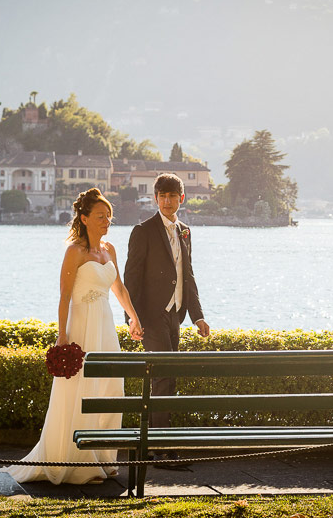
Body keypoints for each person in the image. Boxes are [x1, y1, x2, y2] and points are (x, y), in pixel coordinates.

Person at [0, 188, 143, 485]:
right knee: (82, 392)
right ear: (84, 218)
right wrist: (62, 337)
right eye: (101, 216)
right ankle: (78, 462)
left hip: (106, 325)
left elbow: (119, 289)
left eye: (109, 217)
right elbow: (64, 297)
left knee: (111, 388)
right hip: (81, 326)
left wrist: (133, 317)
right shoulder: (74, 252)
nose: (106, 221)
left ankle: (104, 458)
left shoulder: (109, 249)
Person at [124, 173, 210, 464]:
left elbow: (188, 276)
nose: (167, 200)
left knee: (167, 379)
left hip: (176, 315)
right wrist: (131, 318)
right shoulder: (143, 231)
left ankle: (154, 444)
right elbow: (131, 278)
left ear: (181, 198)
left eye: (172, 196)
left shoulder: (185, 231)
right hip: (150, 315)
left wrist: (197, 317)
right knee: (165, 375)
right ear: (155, 198)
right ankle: (161, 449)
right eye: (162, 196)